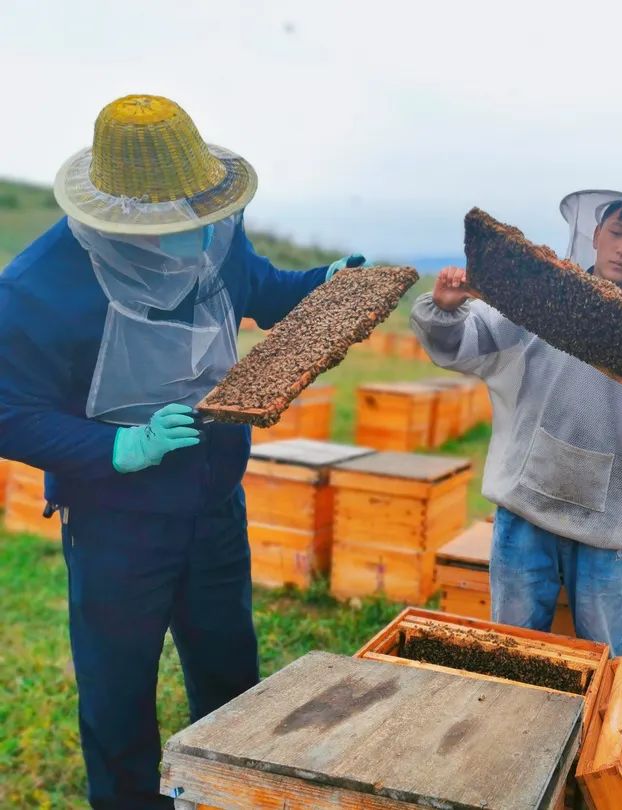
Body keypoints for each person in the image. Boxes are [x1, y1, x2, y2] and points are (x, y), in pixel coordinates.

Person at [0, 94, 363, 809]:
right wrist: (118, 446)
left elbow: (260, 289)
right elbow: (9, 413)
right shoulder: (37, 288)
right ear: (123, 217)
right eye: (178, 224)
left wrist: (320, 288)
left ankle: (227, 794)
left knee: (230, 673)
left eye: (202, 218)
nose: (198, 237)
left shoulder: (217, 235)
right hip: (114, 523)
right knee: (118, 694)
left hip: (214, 501)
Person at [411, 190, 622, 656]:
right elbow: (470, 341)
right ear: (595, 234)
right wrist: (446, 309)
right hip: (527, 505)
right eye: (616, 232)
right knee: (512, 651)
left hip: (608, 528)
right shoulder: (543, 301)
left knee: (602, 661)